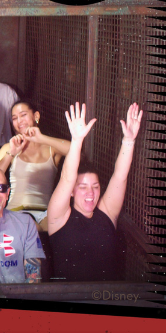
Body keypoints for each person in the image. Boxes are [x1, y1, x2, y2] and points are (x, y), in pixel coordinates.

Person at [47, 101, 142, 282]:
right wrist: (76, 141)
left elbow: (120, 176)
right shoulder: (59, 216)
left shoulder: (106, 212)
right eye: (82, 187)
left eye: (95, 186)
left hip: (106, 299)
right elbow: (67, 178)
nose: (90, 193)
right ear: (72, 192)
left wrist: (129, 141)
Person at [0, 100, 70, 227]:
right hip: (17, 212)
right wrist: (12, 153)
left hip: (45, 213)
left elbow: (76, 150)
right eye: (15, 118)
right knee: (32, 228)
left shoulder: (51, 148)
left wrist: (41, 138)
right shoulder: (9, 147)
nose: (19, 121)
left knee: (53, 230)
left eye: (23, 115)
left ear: (36, 116)